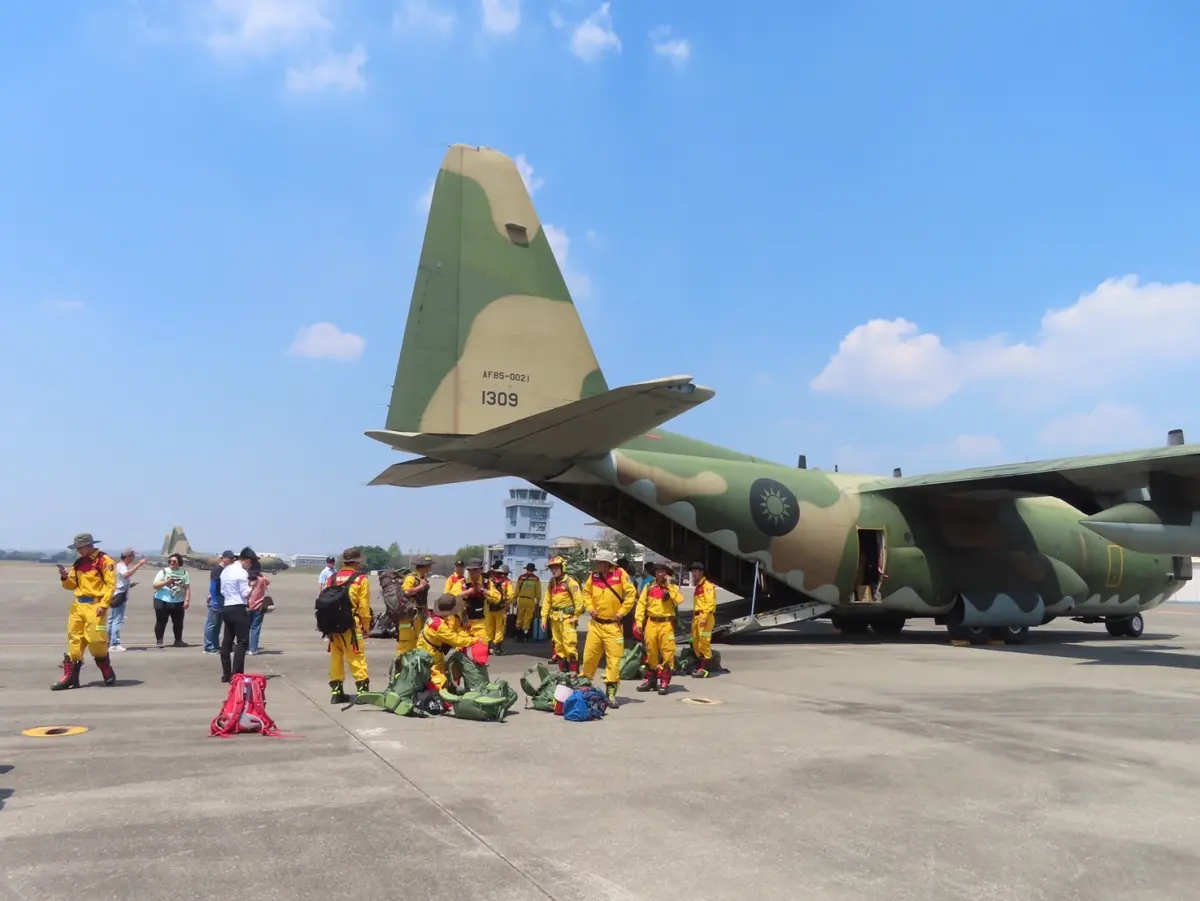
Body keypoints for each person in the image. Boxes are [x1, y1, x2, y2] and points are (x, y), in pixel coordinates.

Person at [51, 533, 118, 691]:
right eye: (77, 548)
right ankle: (71, 677)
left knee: (97, 640)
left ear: (89, 545)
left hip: (96, 606)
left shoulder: (104, 560)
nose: (79, 551)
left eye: (80, 548)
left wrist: (104, 604)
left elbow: (110, 585)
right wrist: (65, 578)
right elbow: (71, 585)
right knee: (75, 641)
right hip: (78, 606)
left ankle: (105, 667)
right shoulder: (79, 563)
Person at [580, 549, 636, 708]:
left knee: (614, 660)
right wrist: (590, 608)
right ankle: (584, 686)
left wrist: (622, 612)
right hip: (596, 625)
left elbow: (631, 594)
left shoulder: (620, 574)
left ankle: (611, 693)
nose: (596, 564)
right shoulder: (594, 576)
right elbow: (586, 593)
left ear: (607, 564)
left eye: (599, 562)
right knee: (589, 657)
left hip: (613, 626)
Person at [325, 547, 372, 704]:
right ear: (357, 563)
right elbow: (364, 607)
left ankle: (336, 693)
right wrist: (366, 626)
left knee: (336, 658)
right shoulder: (361, 579)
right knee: (356, 657)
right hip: (351, 626)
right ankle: (362, 692)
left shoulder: (331, 578)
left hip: (332, 626)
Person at [634, 563, 683, 695]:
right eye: (658, 571)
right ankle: (651, 680)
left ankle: (664, 681)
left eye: (663, 572)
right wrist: (639, 621)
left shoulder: (672, 588)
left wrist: (669, 587)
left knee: (667, 652)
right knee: (650, 652)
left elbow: (679, 600)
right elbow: (641, 604)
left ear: (667, 574)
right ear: (655, 573)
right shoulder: (649, 586)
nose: (660, 574)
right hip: (651, 622)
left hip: (666, 624)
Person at [416, 592, 478, 691]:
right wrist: (474, 640)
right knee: (439, 682)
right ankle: (439, 698)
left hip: (430, 650)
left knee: (441, 673)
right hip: (431, 656)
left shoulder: (435, 617)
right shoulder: (439, 626)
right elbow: (455, 640)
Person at [539, 555, 584, 673]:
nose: (553, 570)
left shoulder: (570, 582)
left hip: (568, 619)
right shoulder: (551, 583)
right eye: (552, 568)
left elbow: (579, 600)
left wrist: (576, 616)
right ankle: (563, 673)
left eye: (556, 568)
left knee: (570, 646)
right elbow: (547, 601)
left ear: (562, 568)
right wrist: (543, 618)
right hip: (555, 619)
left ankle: (574, 673)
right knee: (558, 647)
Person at [217, 547, 256, 682]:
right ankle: (237, 674)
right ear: (247, 561)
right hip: (238, 607)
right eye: (250, 563)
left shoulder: (226, 570)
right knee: (242, 642)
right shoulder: (241, 573)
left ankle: (226, 673)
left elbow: (222, 590)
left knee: (227, 641)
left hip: (227, 606)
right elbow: (245, 592)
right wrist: (252, 585)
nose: (250, 566)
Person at [448, 558, 500, 645]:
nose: (472, 573)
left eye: (475, 570)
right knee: (462, 653)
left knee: (480, 652)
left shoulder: (487, 583)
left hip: (482, 625)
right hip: (465, 624)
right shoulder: (462, 583)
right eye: (470, 571)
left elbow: (497, 598)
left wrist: (483, 590)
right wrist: (466, 592)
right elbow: (450, 598)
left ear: (481, 570)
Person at [108, 547, 150, 652]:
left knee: (112, 620)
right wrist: (139, 565)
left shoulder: (119, 566)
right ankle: (114, 643)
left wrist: (130, 585)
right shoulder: (122, 566)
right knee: (117, 620)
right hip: (119, 596)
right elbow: (126, 575)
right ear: (128, 556)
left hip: (117, 594)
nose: (134, 558)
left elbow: (120, 581)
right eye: (132, 556)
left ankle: (108, 641)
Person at [151, 554, 191, 647]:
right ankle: (159, 641)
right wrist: (166, 582)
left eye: (174, 561)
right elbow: (155, 586)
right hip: (162, 600)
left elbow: (187, 588)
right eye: (170, 561)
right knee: (161, 621)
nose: (171, 563)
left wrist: (187, 600)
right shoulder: (163, 572)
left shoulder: (184, 573)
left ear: (179, 563)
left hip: (178, 601)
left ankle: (178, 640)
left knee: (178, 622)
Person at [397, 555, 433, 654]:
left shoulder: (422, 578)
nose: (430, 568)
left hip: (420, 614)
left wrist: (427, 615)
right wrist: (421, 586)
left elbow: (423, 598)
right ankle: (400, 665)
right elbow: (406, 592)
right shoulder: (411, 578)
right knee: (407, 643)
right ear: (424, 566)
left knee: (419, 641)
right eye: (429, 565)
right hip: (410, 615)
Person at [689, 561, 718, 678]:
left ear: (701, 572)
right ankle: (701, 665)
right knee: (695, 642)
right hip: (697, 617)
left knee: (703, 642)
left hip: (705, 617)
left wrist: (704, 617)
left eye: (695, 571)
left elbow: (710, 603)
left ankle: (705, 669)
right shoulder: (698, 586)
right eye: (693, 571)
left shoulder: (708, 586)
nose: (693, 573)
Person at [205, 550, 235, 654]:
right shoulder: (217, 569)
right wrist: (214, 601)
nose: (232, 560)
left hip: (223, 600)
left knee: (217, 625)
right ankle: (208, 646)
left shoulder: (226, 570)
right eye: (230, 558)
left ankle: (215, 645)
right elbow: (213, 586)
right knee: (212, 624)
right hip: (216, 599)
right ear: (224, 558)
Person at [486, 562, 513, 655]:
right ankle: (497, 649)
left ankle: (487, 648)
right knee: (499, 628)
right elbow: (510, 595)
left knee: (489, 628)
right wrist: (506, 603)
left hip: (490, 608)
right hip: (501, 609)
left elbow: (487, 593)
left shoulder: (491, 580)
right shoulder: (507, 582)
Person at [513, 562, 541, 642]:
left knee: (519, 617)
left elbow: (517, 589)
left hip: (521, 600)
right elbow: (538, 592)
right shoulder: (536, 579)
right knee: (527, 618)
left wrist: (515, 599)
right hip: (530, 600)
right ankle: (524, 636)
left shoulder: (521, 577)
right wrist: (538, 602)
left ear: (527, 569)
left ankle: (517, 635)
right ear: (533, 570)